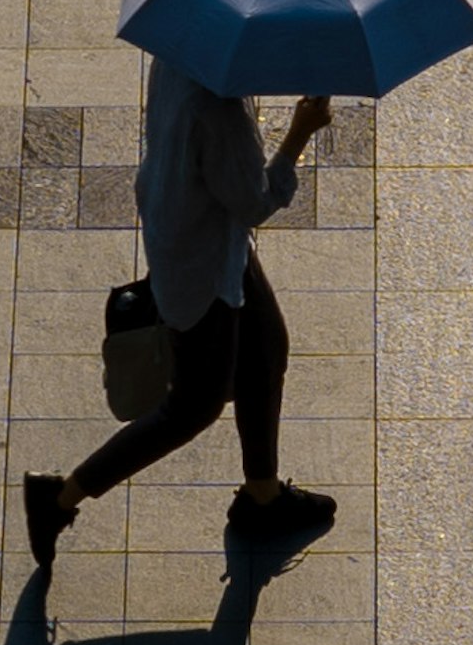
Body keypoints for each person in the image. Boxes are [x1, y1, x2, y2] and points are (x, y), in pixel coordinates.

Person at [23, 61, 339, 576]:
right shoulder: (218, 108)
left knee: (266, 350)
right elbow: (255, 201)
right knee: (191, 407)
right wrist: (299, 136)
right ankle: (59, 497)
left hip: (204, 235)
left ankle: (262, 497)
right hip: (202, 268)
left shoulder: (179, 57)